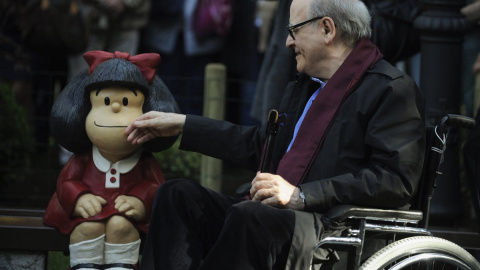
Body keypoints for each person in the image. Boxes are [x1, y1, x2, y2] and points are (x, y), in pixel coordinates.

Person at [126, 0, 426, 269]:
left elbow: (394, 180)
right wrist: (184, 124)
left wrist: (302, 195)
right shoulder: (305, 87)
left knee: (250, 216)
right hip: (277, 216)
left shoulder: (390, 89)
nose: (286, 42)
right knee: (178, 195)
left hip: (333, 227)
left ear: (326, 29)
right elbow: (260, 146)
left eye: (293, 30)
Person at [43, 51, 180, 270]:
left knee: (121, 226)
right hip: (87, 215)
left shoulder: (143, 161)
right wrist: (78, 198)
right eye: (105, 101)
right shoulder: (84, 158)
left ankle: (122, 265)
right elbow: (66, 182)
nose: (115, 108)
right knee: (87, 229)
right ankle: (84, 265)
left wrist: (140, 200)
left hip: (127, 217)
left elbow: (155, 186)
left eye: (126, 102)